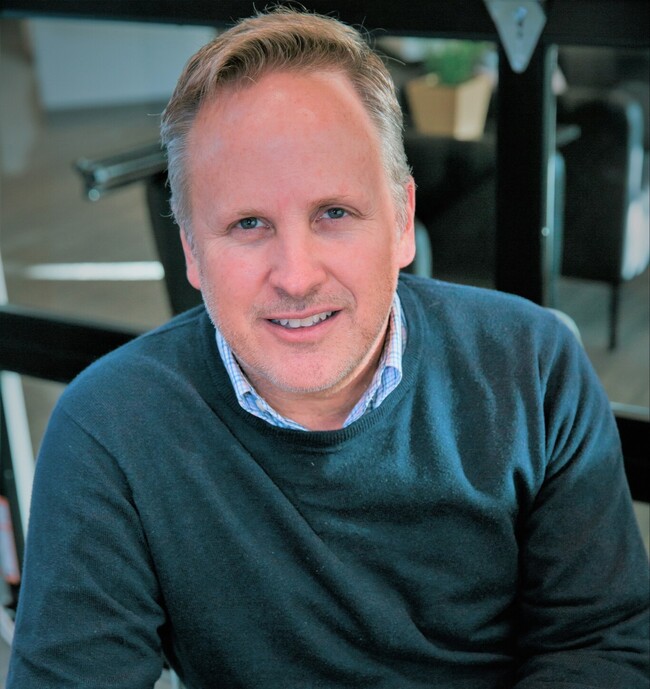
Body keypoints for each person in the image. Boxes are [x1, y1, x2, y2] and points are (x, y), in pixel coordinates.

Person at [7, 8, 649, 689]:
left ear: (402, 221)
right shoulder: (109, 429)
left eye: (333, 213)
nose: (296, 274)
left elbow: (599, 645)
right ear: (192, 250)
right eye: (248, 223)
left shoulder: (533, 366)